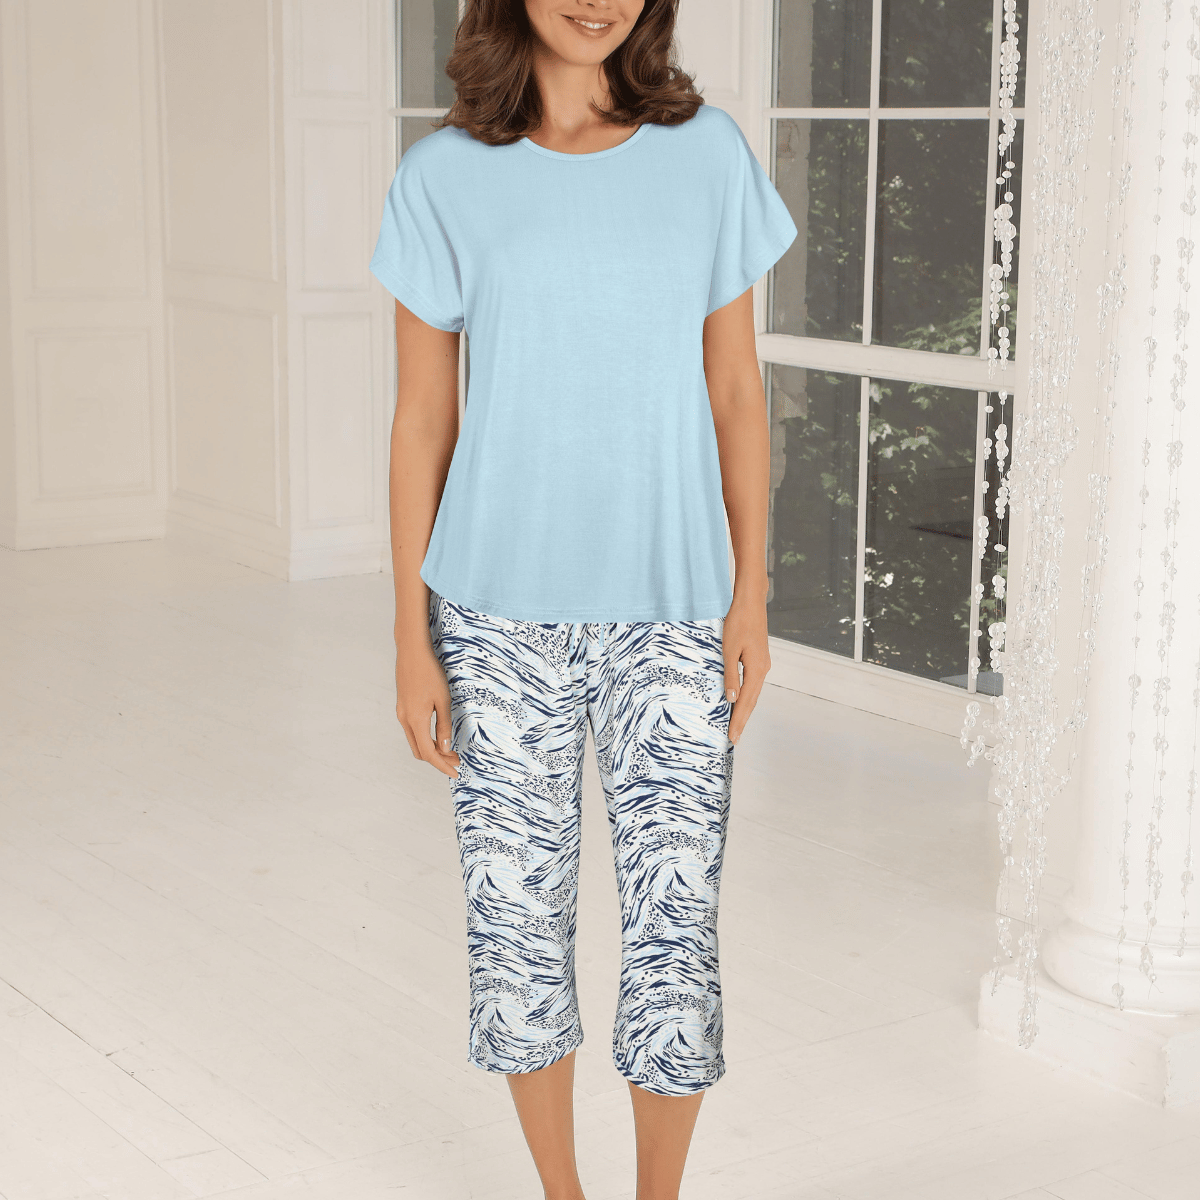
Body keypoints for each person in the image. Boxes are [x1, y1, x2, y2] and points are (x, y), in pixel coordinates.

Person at [369, 0, 796, 1195]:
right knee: (517, 934)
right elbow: (422, 419)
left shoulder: (706, 154)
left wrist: (749, 598)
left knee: (675, 936)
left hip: (675, 611)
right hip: (494, 619)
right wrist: (409, 638)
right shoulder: (442, 177)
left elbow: (735, 392)